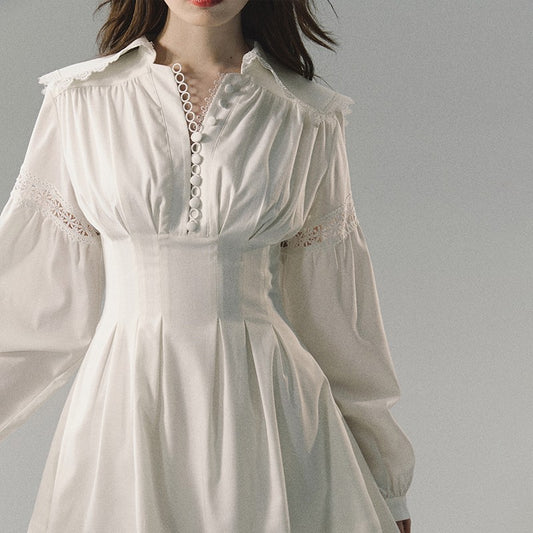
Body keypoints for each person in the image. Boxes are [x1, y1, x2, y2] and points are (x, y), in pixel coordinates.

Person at [0, 0, 415, 531]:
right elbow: (26, 305)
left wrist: (387, 481)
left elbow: (338, 319)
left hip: (270, 419)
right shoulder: (81, 100)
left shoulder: (306, 115)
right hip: (125, 414)